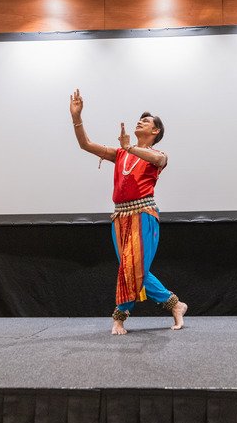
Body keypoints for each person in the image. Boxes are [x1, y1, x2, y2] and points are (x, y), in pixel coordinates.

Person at [69, 89, 187, 335]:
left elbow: (159, 160)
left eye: (146, 121)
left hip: (143, 215)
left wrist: (130, 148)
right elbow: (85, 144)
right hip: (119, 218)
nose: (140, 121)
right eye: (140, 119)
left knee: (132, 267)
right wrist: (76, 117)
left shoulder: (157, 155)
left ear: (155, 132)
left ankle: (119, 318)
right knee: (130, 268)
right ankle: (176, 304)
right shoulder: (120, 153)